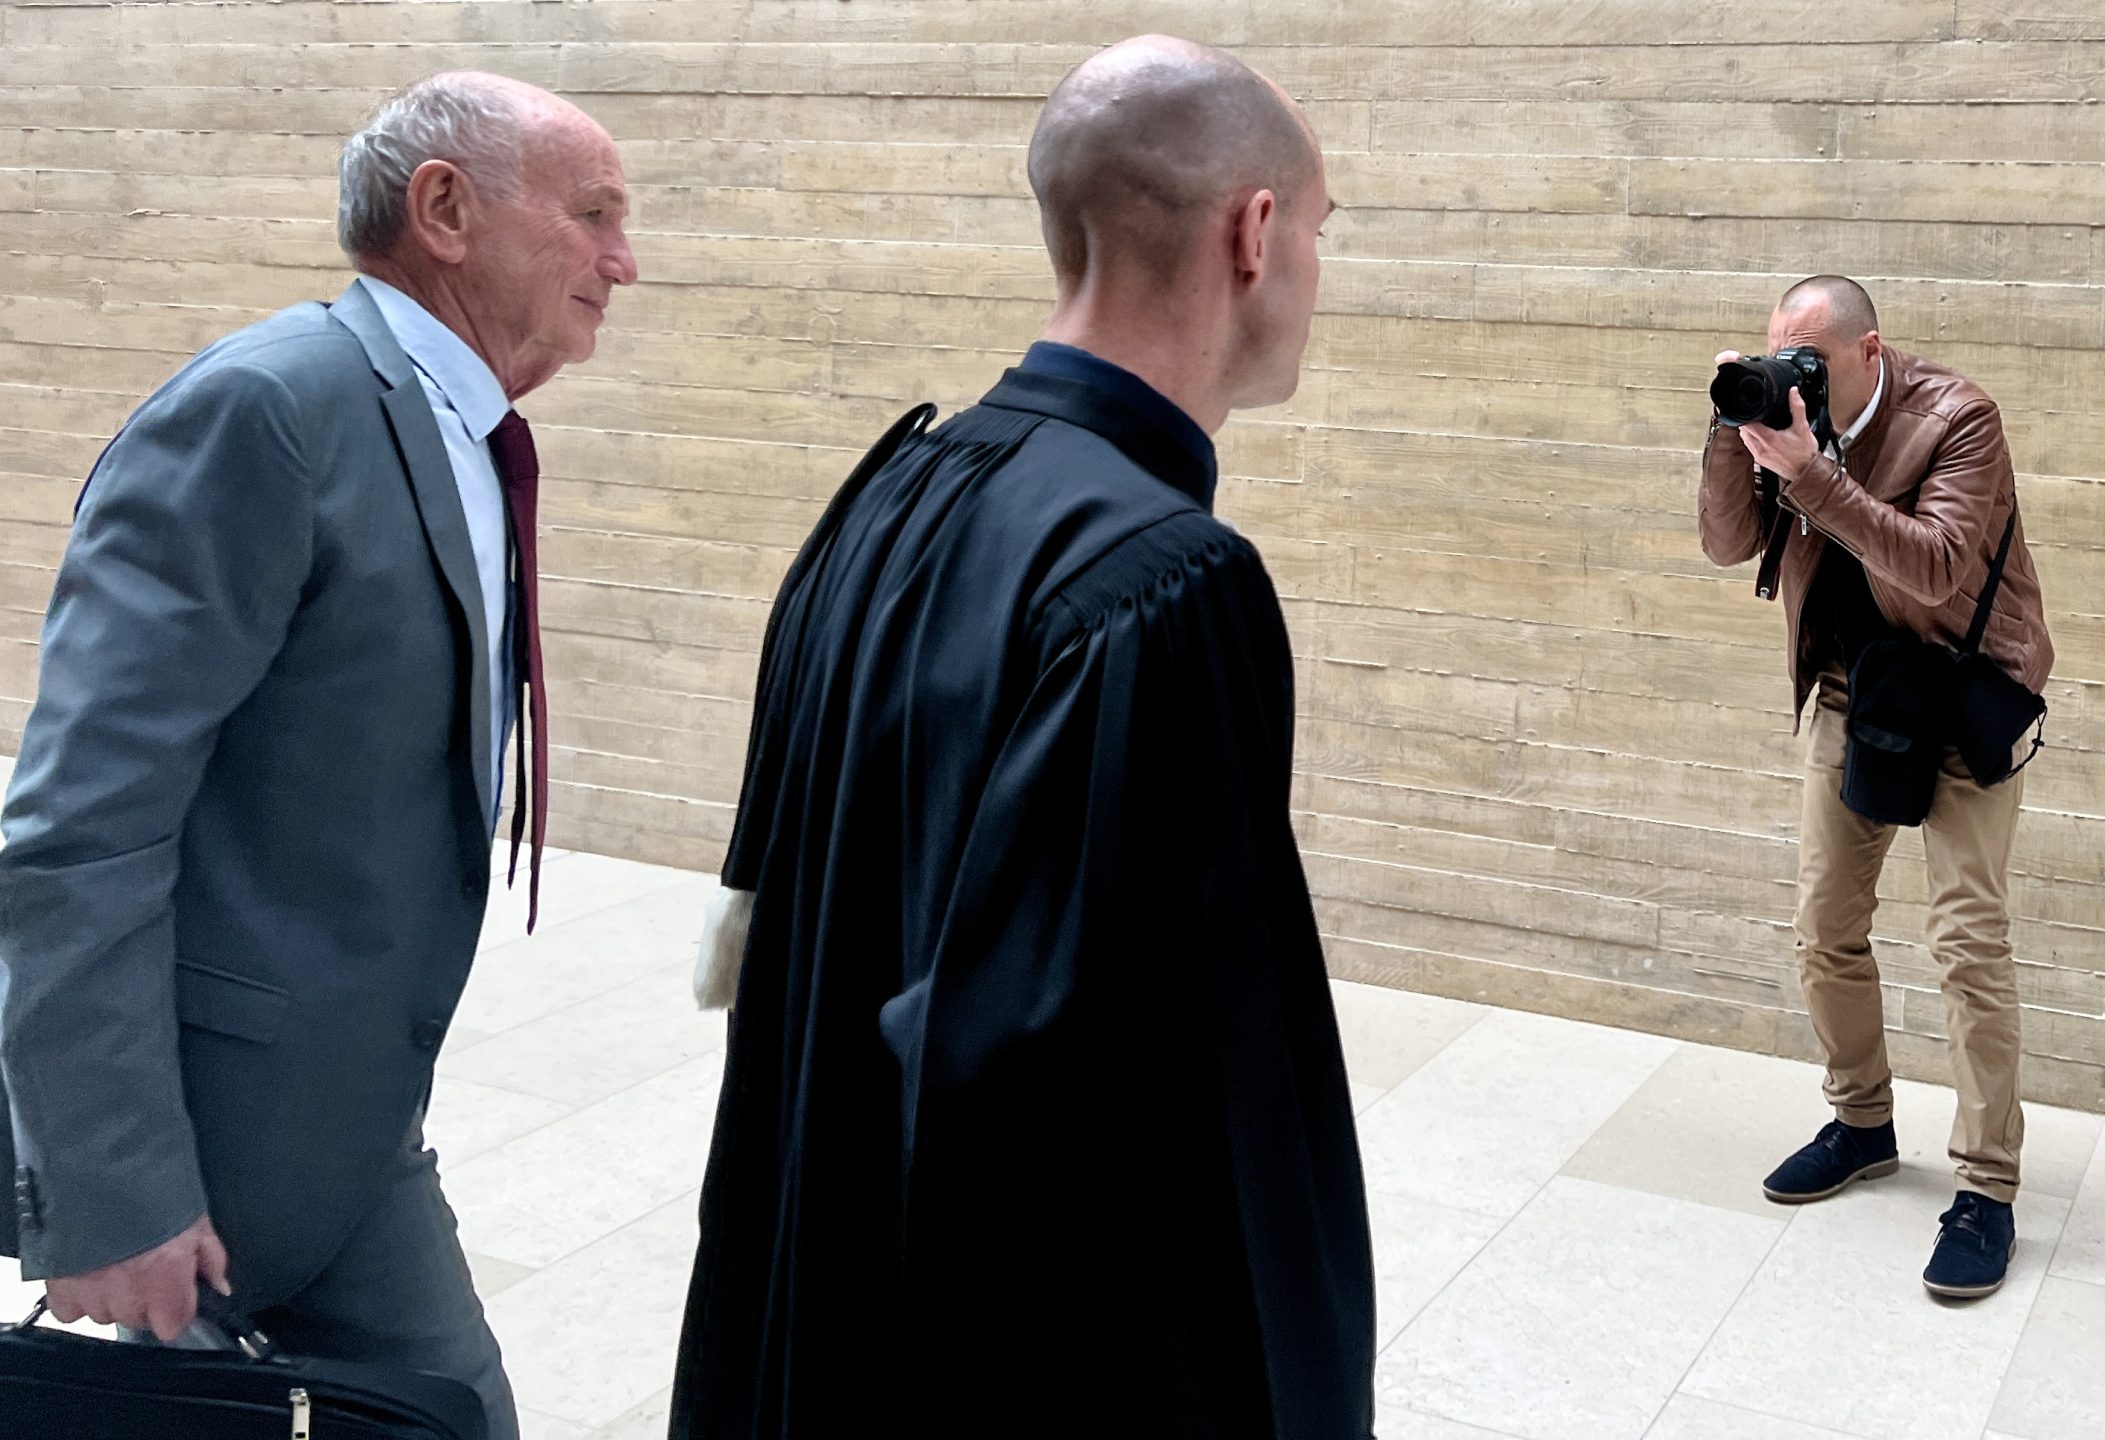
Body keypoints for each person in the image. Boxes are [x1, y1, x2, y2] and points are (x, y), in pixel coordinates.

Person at [672, 35, 1374, 1438]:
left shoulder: (890, 493)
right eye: (1319, 228)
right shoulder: (1165, 583)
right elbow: (1146, 1119)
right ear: (1253, 234)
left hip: (826, 1309)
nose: (1313, 270)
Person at [0, 71, 636, 1438]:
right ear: (446, 209)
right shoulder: (270, 412)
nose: (621, 260)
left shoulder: (446, 425)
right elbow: (77, 829)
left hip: (343, 1116)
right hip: (208, 1142)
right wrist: (115, 1192)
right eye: (590, 214)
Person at [1697, 276, 2055, 1299]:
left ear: (1870, 351)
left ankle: (1986, 1186)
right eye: (1780, 355)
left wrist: (1810, 475)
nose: (1795, 372)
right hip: (1856, 688)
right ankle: (1861, 1122)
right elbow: (1726, 543)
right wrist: (1736, 426)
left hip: (1965, 692)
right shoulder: (1787, 423)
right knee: (1823, 925)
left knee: (1966, 941)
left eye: (1808, 358)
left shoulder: (1958, 418)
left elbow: (1937, 567)